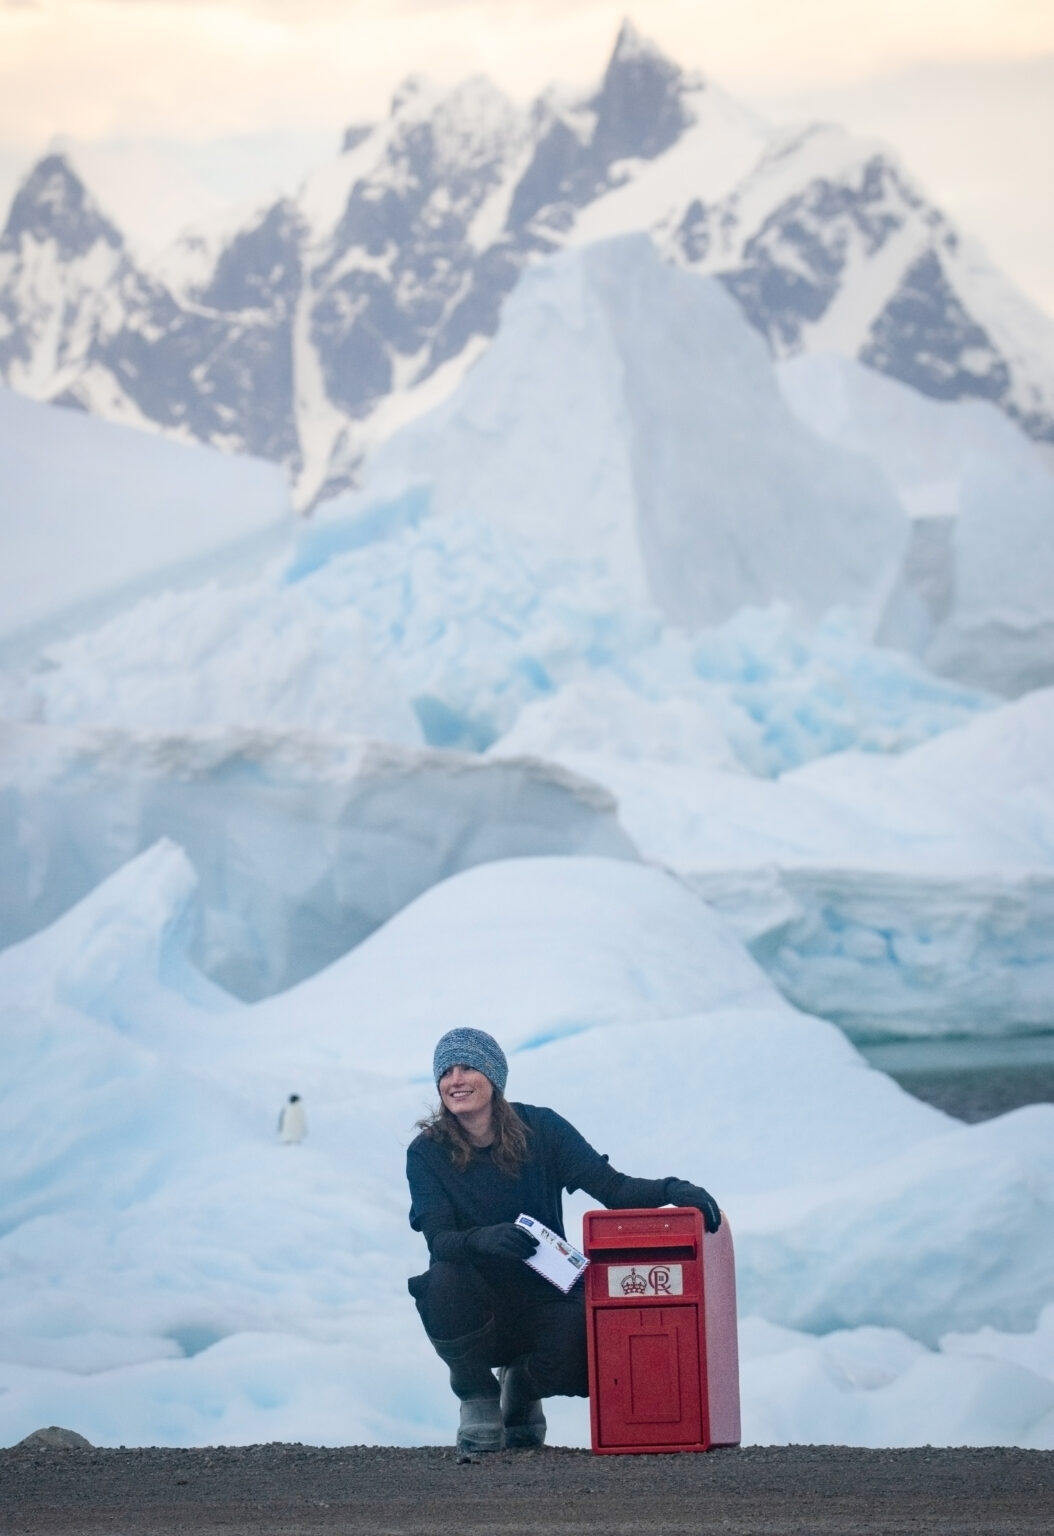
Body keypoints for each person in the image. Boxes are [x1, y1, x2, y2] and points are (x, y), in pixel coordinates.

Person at [406, 1027, 722, 1453]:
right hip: (477, 1299)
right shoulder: (426, 1152)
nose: (456, 1079)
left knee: (590, 1340)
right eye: (447, 1071)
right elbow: (440, 1240)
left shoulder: (543, 1129)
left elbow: (612, 1188)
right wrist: (486, 1239)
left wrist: (671, 1191)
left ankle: (521, 1386)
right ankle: (476, 1392)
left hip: (546, 1290)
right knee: (440, 1282)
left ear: (494, 1075)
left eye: (468, 1067)